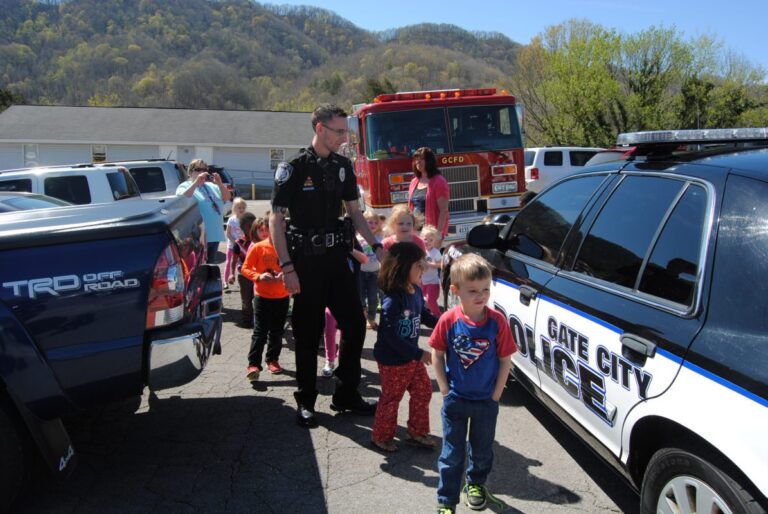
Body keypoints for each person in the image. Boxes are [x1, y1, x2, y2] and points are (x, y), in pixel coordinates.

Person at [270, 104, 384, 428]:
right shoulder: (293, 167)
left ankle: (346, 393)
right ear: (320, 129)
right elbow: (276, 219)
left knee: (355, 323)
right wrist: (287, 267)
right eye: (339, 131)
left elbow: (354, 212)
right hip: (304, 263)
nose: (345, 137)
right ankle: (306, 400)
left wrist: (375, 244)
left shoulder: (343, 166)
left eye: (346, 131)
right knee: (307, 334)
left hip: (337, 260)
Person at [429, 253, 517, 514]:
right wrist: (444, 388)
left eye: (486, 289)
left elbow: (505, 360)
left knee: (482, 450)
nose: (481, 295)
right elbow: (437, 353)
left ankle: (476, 484)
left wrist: (496, 395)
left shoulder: (497, 322)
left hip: (486, 401)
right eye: (473, 290)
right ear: (456, 291)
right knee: (451, 454)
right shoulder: (449, 319)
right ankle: (446, 501)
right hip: (456, 399)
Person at [371, 242, 439, 452]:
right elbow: (389, 335)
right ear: (403, 267)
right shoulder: (393, 300)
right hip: (393, 360)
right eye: (418, 266)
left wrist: (444, 322)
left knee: (423, 390)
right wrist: (418, 353)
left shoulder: (416, 290)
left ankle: (417, 431)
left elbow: (425, 315)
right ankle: (381, 436)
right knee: (392, 398)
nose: (423, 269)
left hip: (410, 357)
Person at [241, 221, 290, 380]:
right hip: (262, 297)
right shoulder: (258, 247)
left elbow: (296, 266)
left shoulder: (288, 247)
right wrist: (259, 276)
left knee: (277, 332)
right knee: (260, 332)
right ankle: (253, 364)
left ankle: (272, 360)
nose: (269, 232)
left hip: (282, 297)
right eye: (264, 230)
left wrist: (287, 274)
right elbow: (245, 268)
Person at [323, 242, 368, 377]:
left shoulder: (350, 239)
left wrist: (348, 247)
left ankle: (344, 362)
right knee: (329, 330)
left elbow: (364, 259)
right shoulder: (326, 239)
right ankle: (330, 360)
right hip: (330, 297)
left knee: (347, 332)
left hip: (351, 297)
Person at [176, 159, 231, 264]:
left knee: (210, 265)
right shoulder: (185, 186)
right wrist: (196, 183)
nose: (202, 172)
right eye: (198, 169)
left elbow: (227, 197)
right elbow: (182, 199)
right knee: (198, 267)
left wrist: (219, 183)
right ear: (190, 172)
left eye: (204, 169)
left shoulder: (212, 186)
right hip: (198, 237)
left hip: (215, 234)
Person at [408, 147, 449, 245]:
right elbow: (410, 208)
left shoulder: (439, 181)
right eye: (416, 159)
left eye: (421, 159)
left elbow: (444, 211)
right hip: (416, 232)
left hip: (431, 234)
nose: (418, 161)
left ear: (429, 161)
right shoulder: (414, 182)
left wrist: (438, 234)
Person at [358, 210, 384, 330]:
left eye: (375, 222)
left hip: (375, 272)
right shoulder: (358, 237)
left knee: (373, 297)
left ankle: (371, 319)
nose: (373, 225)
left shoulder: (380, 237)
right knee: (360, 296)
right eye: (369, 222)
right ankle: (362, 315)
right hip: (361, 272)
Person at [232, 212, 258, 328]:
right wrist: (230, 274)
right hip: (244, 276)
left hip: (258, 275)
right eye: (249, 227)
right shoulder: (238, 243)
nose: (252, 229)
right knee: (246, 299)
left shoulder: (260, 242)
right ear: (242, 228)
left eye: (254, 226)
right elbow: (233, 260)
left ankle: (259, 321)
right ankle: (247, 320)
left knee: (258, 299)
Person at [224, 197, 248, 288]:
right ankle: (225, 281)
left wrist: (244, 242)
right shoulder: (231, 220)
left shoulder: (246, 219)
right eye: (239, 207)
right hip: (232, 245)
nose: (241, 209)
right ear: (234, 208)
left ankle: (242, 280)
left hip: (243, 246)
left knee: (242, 263)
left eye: (243, 207)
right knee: (228, 262)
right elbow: (228, 233)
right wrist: (235, 242)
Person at [420, 225, 443, 318]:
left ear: (435, 241)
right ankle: (425, 315)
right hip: (421, 281)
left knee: (430, 300)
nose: (428, 242)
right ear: (421, 239)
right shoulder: (421, 250)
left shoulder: (435, 252)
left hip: (432, 281)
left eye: (431, 240)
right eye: (426, 239)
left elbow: (440, 265)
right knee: (421, 300)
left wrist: (429, 264)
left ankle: (438, 316)